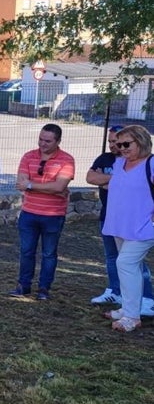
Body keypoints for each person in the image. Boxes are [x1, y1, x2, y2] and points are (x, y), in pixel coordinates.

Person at [86, 126, 154, 315]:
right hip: (120, 225)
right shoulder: (119, 164)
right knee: (125, 267)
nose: (121, 147)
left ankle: (132, 316)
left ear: (141, 141)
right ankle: (127, 308)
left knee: (125, 264)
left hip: (143, 228)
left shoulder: (151, 163)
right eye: (118, 143)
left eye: (126, 144)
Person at [10, 123, 75, 300]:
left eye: (47, 141)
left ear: (58, 141)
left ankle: (44, 288)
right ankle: (23, 285)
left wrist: (32, 185)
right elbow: (21, 184)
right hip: (29, 213)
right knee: (26, 251)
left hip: (53, 215)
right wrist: (51, 188)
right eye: (40, 139)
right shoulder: (28, 156)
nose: (42, 143)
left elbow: (60, 186)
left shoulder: (67, 160)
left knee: (49, 253)